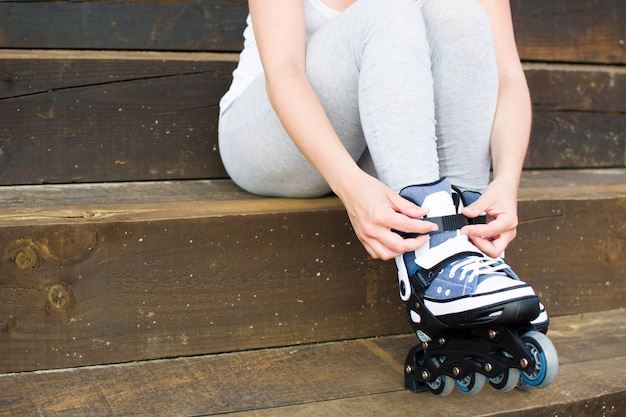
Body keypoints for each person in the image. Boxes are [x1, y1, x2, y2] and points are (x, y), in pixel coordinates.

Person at [218, 0, 541, 327]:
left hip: (377, 140)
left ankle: (466, 245)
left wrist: (505, 180)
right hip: (271, 135)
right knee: (386, 8)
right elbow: (284, 71)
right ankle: (432, 261)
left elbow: (508, 78)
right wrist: (349, 185)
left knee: (461, 13)